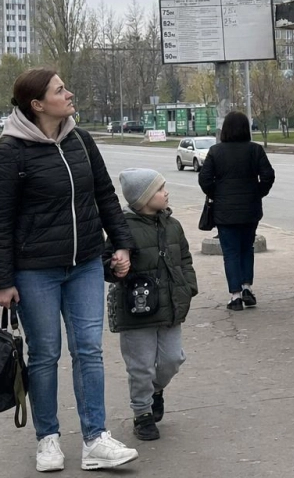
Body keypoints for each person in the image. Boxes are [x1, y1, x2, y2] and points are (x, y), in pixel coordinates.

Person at [0, 67, 140, 473]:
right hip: (36, 271)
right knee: (45, 354)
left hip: (86, 263)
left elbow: (104, 194)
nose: (69, 93)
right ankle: (48, 439)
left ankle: (95, 439)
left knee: (88, 349)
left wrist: (121, 243)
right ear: (37, 105)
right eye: (60, 90)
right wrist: (2, 282)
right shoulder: (11, 152)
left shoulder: (80, 139)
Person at [105, 169, 198, 442]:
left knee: (172, 359)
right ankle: (142, 413)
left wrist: (188, 287)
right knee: (140, 365)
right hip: (137, 310)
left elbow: (185, 259)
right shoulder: (123, 229)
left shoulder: (173, 225)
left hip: (171, 306)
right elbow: (106, 263)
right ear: (144, 198)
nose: (166, 192)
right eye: (160, 189)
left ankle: (154, 390)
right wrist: (116, 269)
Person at [199, 111, 275, 311]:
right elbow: (268, 175)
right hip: (250, 209)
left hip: (225, 212)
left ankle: (235, 296)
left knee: (230, 252)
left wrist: (218, 194)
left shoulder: (215, 151)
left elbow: (204, 179)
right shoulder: (255, 150)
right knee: (246, 248)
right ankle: (247, 286)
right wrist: (258, 192)